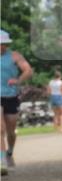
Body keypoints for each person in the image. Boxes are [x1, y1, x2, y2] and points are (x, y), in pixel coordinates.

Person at [0, 29, 33, 168]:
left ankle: (9, 152)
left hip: (11, 95)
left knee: (11, 131)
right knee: (0, 129)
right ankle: (1, 161)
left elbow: (28, 70)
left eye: (4, 44)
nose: (2, 46)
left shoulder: (14, 56)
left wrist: (18, 80)